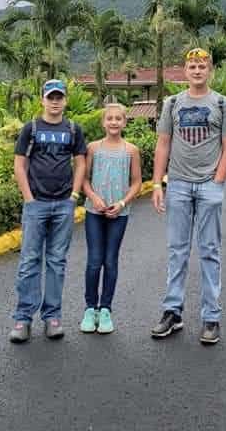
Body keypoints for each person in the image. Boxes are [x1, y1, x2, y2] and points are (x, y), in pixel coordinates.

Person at [150, 48, 226, 345]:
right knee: (177, 250)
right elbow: (163, 144)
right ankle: (172, 312)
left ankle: (211, 317)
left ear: (209, 70)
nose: (197, 70)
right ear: (184, 71)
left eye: (202, 66)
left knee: (209, 250)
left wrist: (218, 182)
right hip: (177, 184)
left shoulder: (223, 104)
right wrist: (157, 184)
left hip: (208, 185)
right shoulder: (172, 103)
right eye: (192, 66)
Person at [9, 79, 87, 343]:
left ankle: (52, 317)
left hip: (63, 205)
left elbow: (80, 162)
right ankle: (23, 319)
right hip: (36, 205)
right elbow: (20, 165)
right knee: (29, 261)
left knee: (56, 262)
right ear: (42, 99)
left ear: (65, 100)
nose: (55, 102)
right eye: (50, 97)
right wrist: (29, 199)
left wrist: (74, 196)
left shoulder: (73, 129)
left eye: (59, 97)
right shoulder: (30, 129)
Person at [79, 103, 142, 334]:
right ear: (103, 122)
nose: (114, 122)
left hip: (119, 213)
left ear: (125, 122)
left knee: (110, 260)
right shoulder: (93, 148)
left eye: (118, 118)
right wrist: (94, 197)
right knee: (94, 260)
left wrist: (123, 203)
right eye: (110, 118)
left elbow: (136, 182)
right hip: (94, 212)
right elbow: (84, 178)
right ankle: (89, 308)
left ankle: (105, 309)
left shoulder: (131, 150)